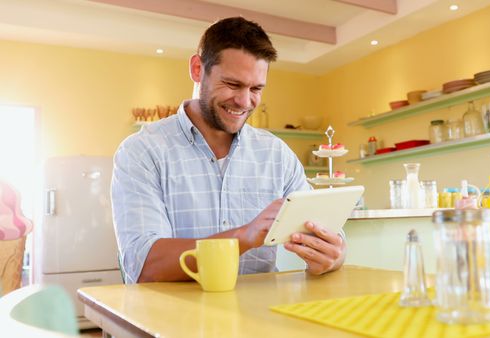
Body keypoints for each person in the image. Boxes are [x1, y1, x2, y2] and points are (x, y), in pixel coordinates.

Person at [111, 17, 346, 284]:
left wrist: (333, 256)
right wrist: (244, 236)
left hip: (261, 318)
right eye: (233, 85)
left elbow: (329, 236)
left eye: (256, 88)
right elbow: (144, 265)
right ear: (198, 69)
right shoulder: (142, 152)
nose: (245, 101)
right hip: (173, 321)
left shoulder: (276, 155)